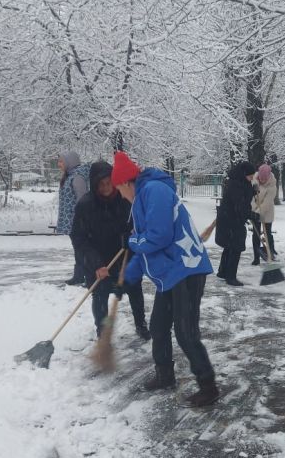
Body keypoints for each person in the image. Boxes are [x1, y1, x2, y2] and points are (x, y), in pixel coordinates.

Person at [110, 151, 219, 407]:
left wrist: (134, 240)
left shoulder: (154, 191)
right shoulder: (141, 199)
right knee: (158, 326)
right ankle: (165, 375)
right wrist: (127, 279)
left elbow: (157, 237)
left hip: (187, 268)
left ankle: (208, 386)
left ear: (125, 182)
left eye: (119, 189)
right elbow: (143, 249)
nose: (120, 195)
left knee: (185, 332)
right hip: (170, 274)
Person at [70, 160, 150, 340]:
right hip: (98, 262)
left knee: (135, 291)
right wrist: (95, 264)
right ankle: (103, 332)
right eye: (101, 184)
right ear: (94, 184)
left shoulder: (125, 199)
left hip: (124, 257)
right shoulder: (85, 205)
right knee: (100, 298)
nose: (106, 188)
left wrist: (130, 238)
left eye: (109, 183)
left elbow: (137, 225)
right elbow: (79, 240)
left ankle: (141, 324)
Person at [215, 161, 256, 285]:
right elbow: (240, 205)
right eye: (250, 175)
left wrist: (252, 191)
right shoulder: (236, 186)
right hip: (232, 220)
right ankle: (230, 277)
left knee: (229, 246)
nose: (252, 178)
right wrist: (251, 215)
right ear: (244, 174)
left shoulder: (238, 182)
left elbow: (243, 198)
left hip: (229, 219)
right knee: (235, 247)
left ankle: (222, 272)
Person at [56, 151, 90, 285]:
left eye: (61, 161)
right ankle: (79, 276)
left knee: (83, 249)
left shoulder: (77, 177)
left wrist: (82, 220)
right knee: (78, 249)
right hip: (72, 222)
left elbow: (82, 200)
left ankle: (88, 276)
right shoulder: (69, 176)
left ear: (70, 162)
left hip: (79, 222)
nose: (59, 164)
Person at [251, 163, 277, 265]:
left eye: (264, 179)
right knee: (256, 234)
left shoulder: (272, 186)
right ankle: (256, 257)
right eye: (261, 178)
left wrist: (258, 212)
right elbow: (251, 198)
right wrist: (254, 210)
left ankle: (270, 253)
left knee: (267, 234)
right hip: (255, 211)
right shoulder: (254, 181)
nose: (262, 180)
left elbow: (267, 202)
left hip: (267, 212)